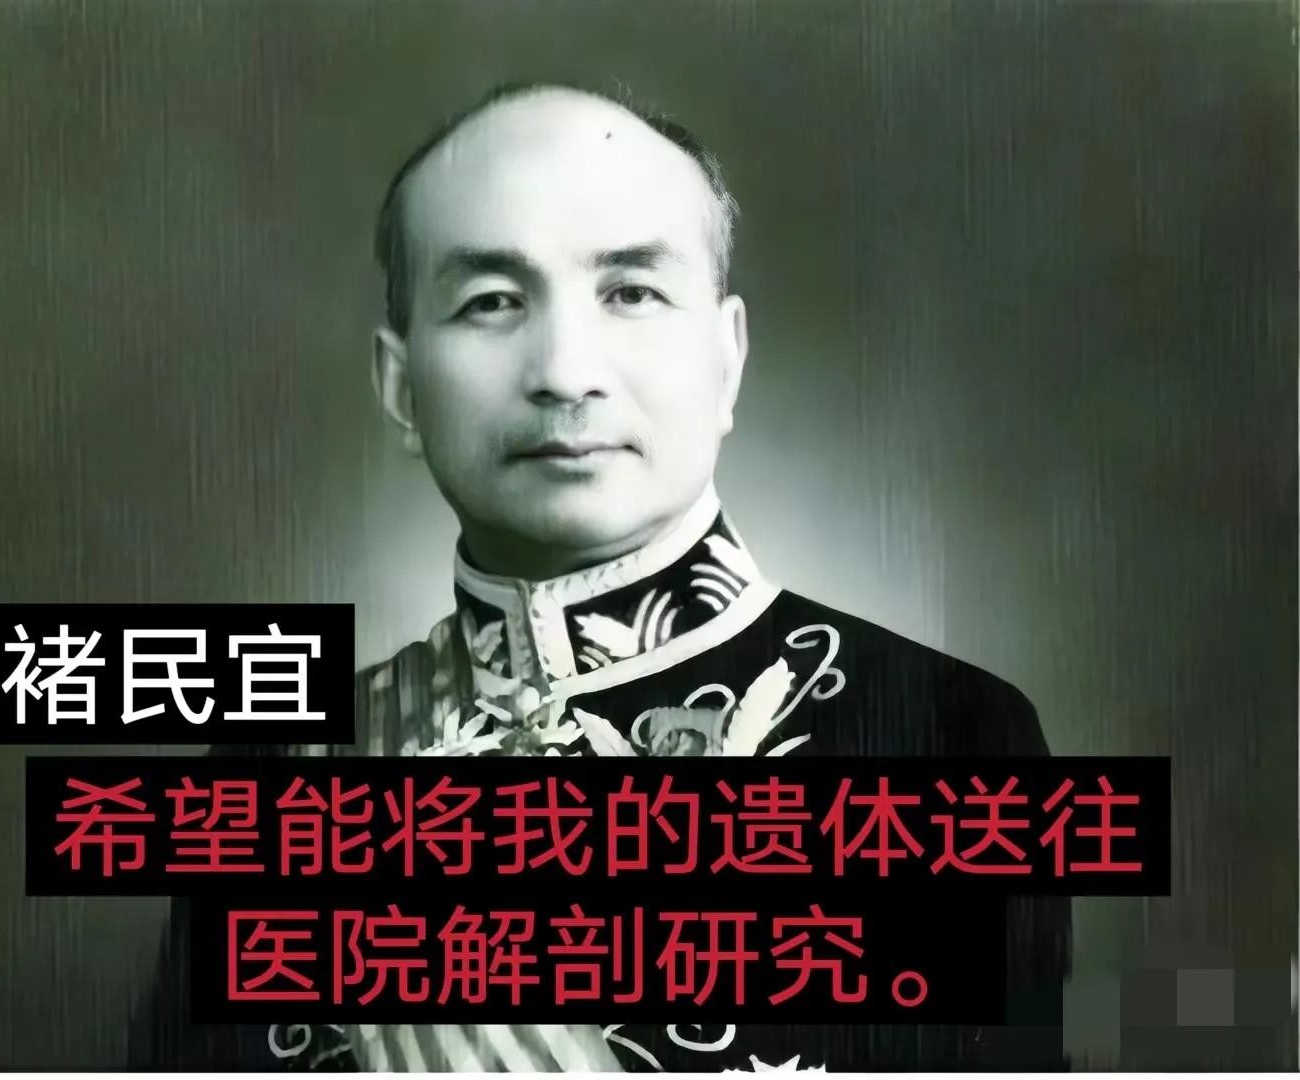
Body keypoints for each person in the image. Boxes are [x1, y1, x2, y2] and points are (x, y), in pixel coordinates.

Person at [129, 80, 1071, 1073]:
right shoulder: (274, 773)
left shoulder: (947, 735)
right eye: (492, 302)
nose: (565, 373)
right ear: (401, 389)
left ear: (727, 360)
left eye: (631, 293)